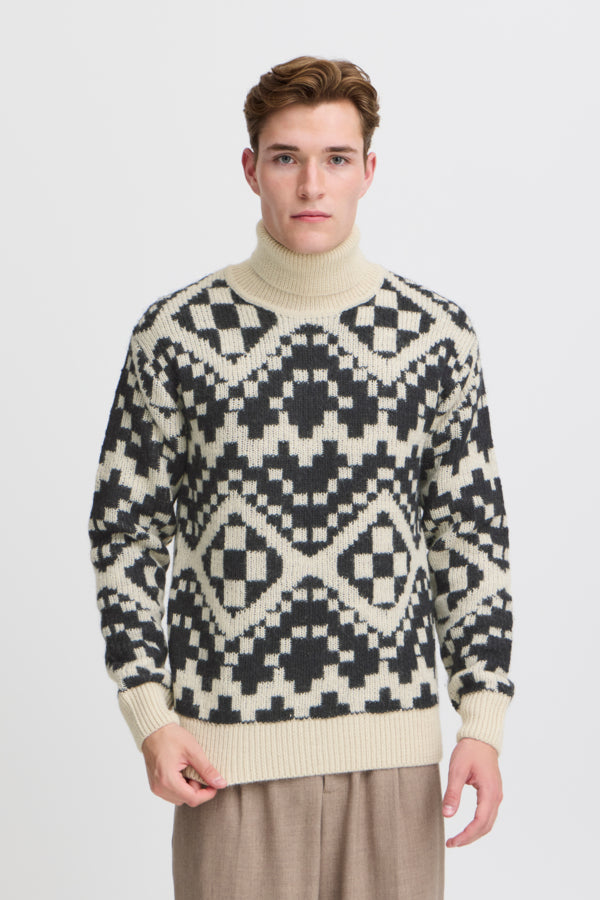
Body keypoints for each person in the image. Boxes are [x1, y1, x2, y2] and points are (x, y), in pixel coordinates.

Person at [89, 56, 514, 900]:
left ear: (369, 170)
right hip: (224, 760)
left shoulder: (436, 337)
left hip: (394, 761)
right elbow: (125, 532)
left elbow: (467, 533)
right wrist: (149, 712)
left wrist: (484, 720)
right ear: (252, 168)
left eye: (336, 158)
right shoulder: (175, 335)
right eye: (287, 157)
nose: (312, 184)